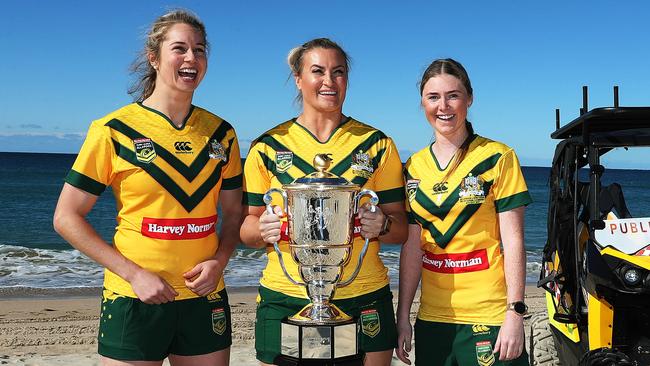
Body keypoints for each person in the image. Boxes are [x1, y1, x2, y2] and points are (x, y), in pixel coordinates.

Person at [53, 9, 241, 366]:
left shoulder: (222, 133)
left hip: (205, 296)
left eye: (200, 50)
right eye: (180, 48)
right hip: (134, 296)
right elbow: (66, 217)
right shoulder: (114, 129)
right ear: (154, 58)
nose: (191, 58)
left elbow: (233, 214)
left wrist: (219, 261)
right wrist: (134, 274)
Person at [240, 38, 408, 366]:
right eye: (318, 71)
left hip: (363, 295)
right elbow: (245, 230)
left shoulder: (377, 144)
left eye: (338, 72)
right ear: (298, 79)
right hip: (285, 297)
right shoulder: (268, 146)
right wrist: (263, 228)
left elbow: (400, 229)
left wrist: (382, 225)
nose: (329, 81)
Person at [395, 59, 532, 366]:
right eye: (433, 97)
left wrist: (515, 312)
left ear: (469, 98)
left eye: (453, 95)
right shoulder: (413, 167)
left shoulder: (498, 157)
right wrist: (403, 316)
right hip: (432, 319)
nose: (443, 106)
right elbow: (412, 246)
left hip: (491, 314)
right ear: (422, 103)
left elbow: (514, 241)